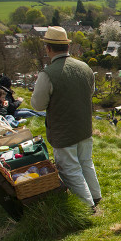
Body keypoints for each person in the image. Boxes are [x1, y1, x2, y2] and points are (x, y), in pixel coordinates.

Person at [31, 26, 102, 211]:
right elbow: (91, 92)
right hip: (84, 125)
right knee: (86, 161)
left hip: (63, 129)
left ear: (48, 48)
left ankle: (87, 206)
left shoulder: (48, 74)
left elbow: (38, 105)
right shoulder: (85, 67)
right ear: (67, 47)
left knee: (70, 168)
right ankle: (96, 195)